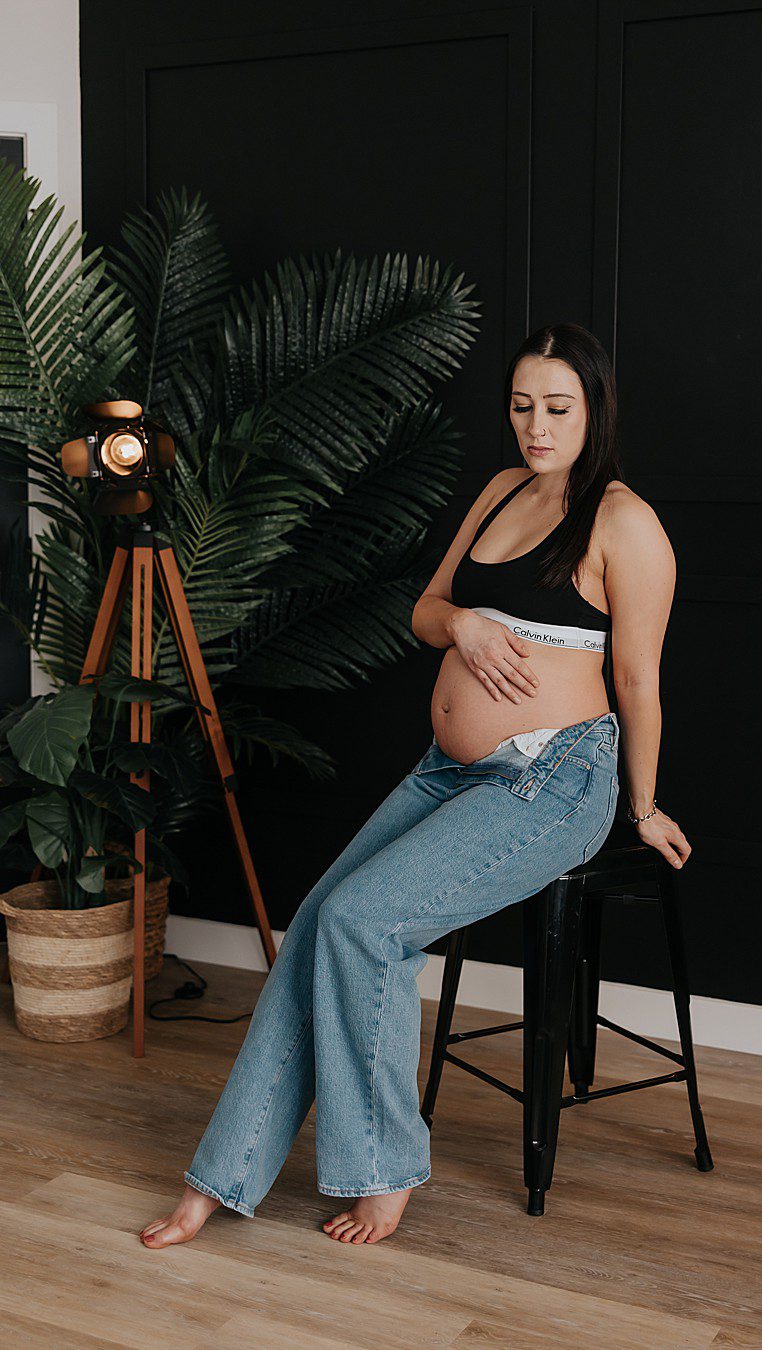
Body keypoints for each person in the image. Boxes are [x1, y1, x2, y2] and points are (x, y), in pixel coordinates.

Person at [140, 322, 692, 1249]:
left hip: (555, 780)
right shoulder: (503, 490)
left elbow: (639, 680)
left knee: (365, 921)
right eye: (521, 407)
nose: (536, 428)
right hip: (451, 770)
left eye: (557, 408)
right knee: (319, 920)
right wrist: (468, 627)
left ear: (594, 406)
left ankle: (384, 1169)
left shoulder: (626, 523)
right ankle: (219, 1177)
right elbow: (425, 612)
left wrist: (641, 804)